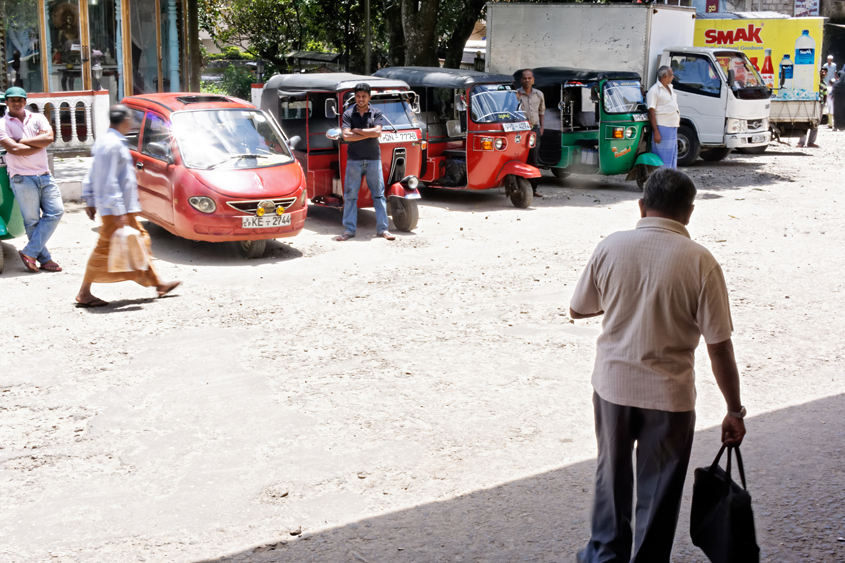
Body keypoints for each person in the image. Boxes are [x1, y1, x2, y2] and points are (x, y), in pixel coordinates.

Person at [571, 168, 746, 563]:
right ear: (688, 213)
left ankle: (604, 556)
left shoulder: (611, 247)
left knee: (611, 478)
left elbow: (578, 308)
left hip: (613, 388)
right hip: (670, 399)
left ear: (641, 205)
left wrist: (624, 299)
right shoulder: (702, 262)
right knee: (660, 490)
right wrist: (733, 410)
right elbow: (719, 347)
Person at [75, 105, 180, 308]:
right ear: (123, 121)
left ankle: (159, 283)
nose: (132, 122)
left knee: (140, 241)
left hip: (121, 207)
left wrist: (90, 199)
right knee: (104, 249)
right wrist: (117, 212)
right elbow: (107, 180)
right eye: (130, 119)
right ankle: (84, 292)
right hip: (116, 209)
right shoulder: (111, 144)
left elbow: (92, 173)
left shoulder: (108, 141)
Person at [0, 86, 64, 273]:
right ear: (7, 102)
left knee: (56, 212)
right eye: (13, 100)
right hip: (21, 178)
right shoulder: (3, 124)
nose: (17, 102)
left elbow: (50, 137)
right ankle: (44, 259)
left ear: (25, 101)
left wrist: (20, 141)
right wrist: (38, 142)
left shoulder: (38, 118)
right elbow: (14, 150)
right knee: (32, 221)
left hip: (44, 174)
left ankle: (29, 251)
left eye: (20, 99)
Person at [335, 83, 395, 242]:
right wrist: (369, 134)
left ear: (369, 97)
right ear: (355, 96)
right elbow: (346, 136)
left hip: (373, 159)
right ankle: (349, 230)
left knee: (379, 195)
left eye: (364, 96)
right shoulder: (348, 114)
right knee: (350, 196)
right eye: (358, 96)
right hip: (354, 160)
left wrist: (357, 131)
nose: (360, 99)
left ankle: (383, 229)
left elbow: (378, 132)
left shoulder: (376, 112)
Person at [516, 69, 545, 197]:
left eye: (529, 78)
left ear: (533, 80)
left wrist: (542, 128)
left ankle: (533, 189)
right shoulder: (516, 94)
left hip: (534, 130)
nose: (527, 80)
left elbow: (542, 112)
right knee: (519, 158)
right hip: (520, 130)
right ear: (521, 80)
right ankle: (517, 187)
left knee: (533, 158)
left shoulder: (539, 94)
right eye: (524, 78)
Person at [646, 66, 680, 169]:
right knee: (663, 157)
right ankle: (662, 180)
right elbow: (651, 111)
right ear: (665, 76)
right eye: (671, 75)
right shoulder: (654, 90)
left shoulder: (669, 87)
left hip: (672, 126)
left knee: (672, 155)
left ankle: (671, 178)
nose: (673, 77)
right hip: (662, 127)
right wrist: (656, 131)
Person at [798, 68, 826, 147]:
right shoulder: (812, 82)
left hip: (819, 104)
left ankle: (811, 142)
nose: (823, 73)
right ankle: (801, 142)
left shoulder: (824, 84)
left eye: (824, 72)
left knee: (816, 123)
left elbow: (825, 95)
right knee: (805, 122)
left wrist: (823, 104)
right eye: (822, 71)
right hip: (810, 103)